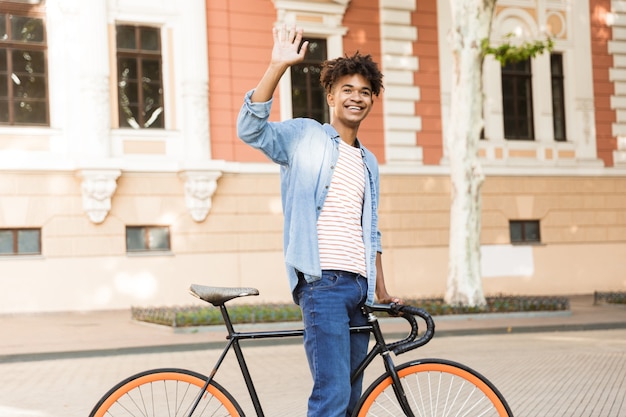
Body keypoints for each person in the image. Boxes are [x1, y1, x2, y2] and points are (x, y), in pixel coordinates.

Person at [237, 25, 402, 417]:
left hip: (359, 290)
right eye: (347, 89)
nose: (356, 97)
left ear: (371, 102)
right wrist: (277, 65)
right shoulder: (305, 136)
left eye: (365, 92)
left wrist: (381, 289)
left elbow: (371, 231)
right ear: (330, 95)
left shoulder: (368, 161)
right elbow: (250, 129)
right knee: (331, 398)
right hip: (322, 283)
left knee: (350, 402)